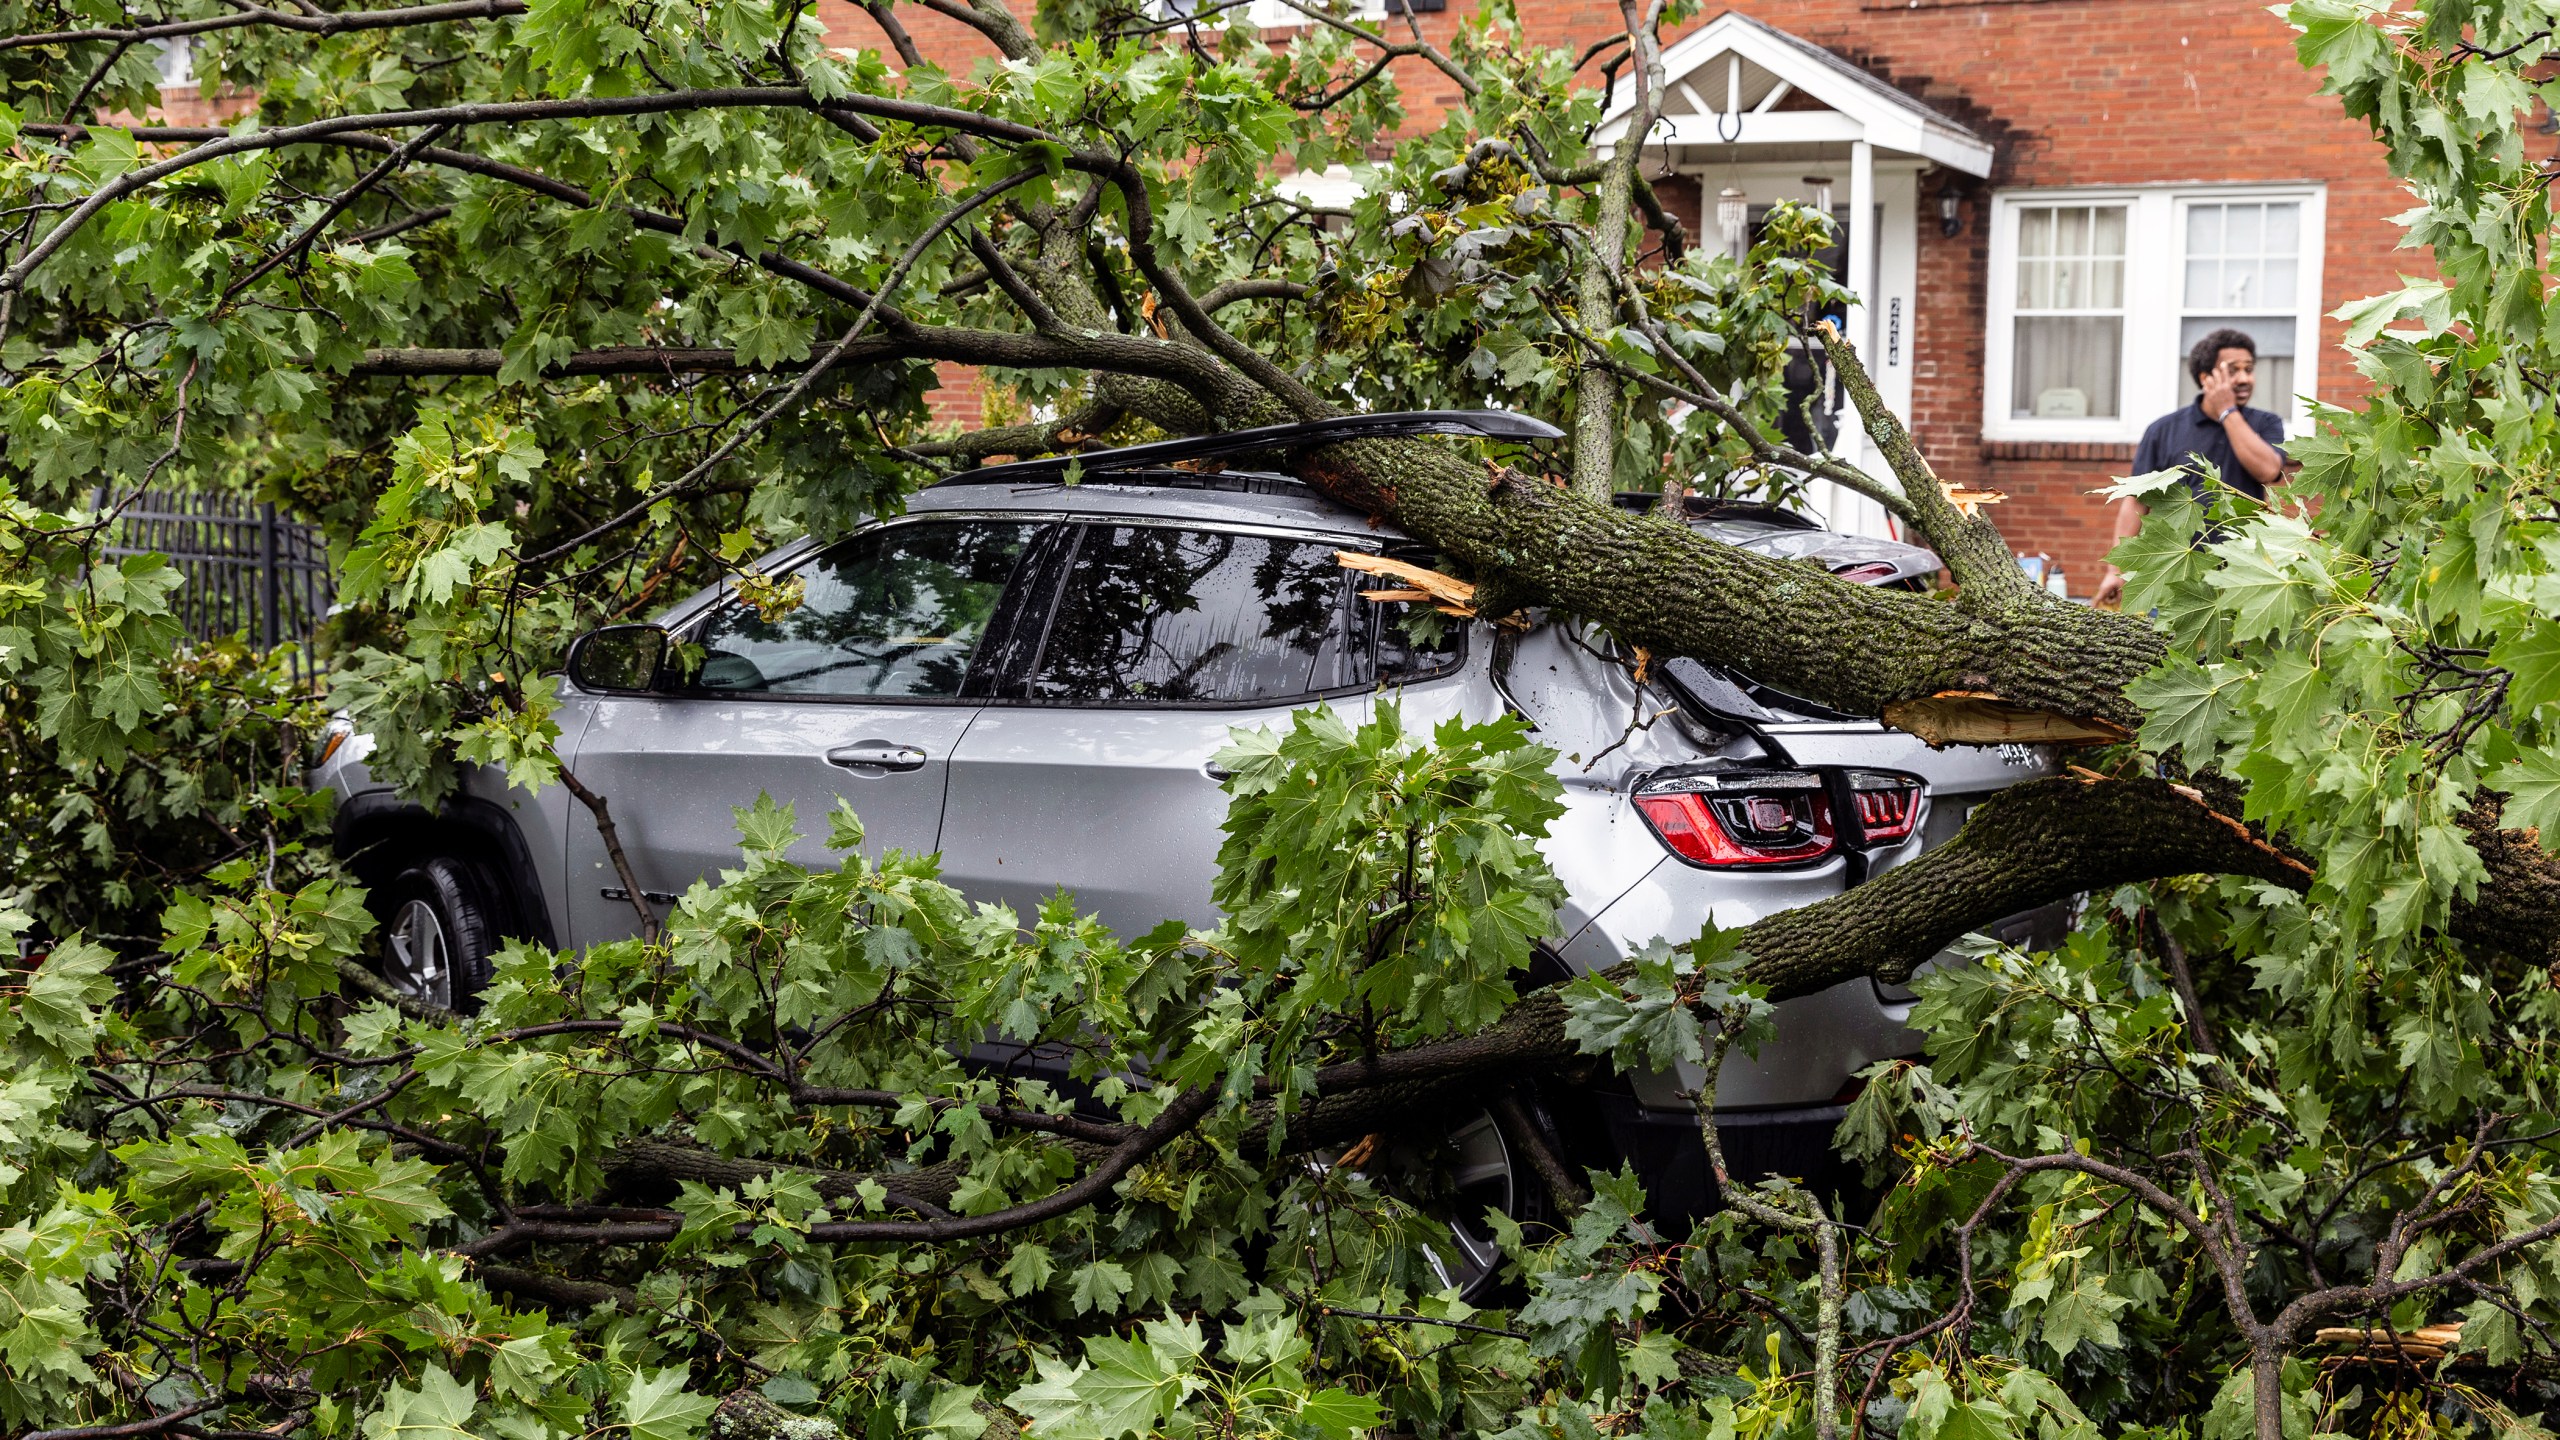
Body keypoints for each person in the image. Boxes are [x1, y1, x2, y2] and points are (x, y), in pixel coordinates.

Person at [2091, 328, 2289, 609]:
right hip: (2175, 575)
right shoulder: (2163, 430)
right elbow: (2136, 502)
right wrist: (2115, 571)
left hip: (2243, 573)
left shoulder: (2266, 424)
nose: (2245, 378)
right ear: (2206, 378)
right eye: (2233, 370)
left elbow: (2268, 471)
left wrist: (2227, 413)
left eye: (2249, 369)